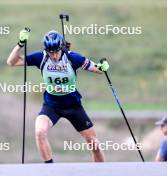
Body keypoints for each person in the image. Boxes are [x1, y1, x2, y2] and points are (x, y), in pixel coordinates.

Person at [7, 29, 108, 163]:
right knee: (39, 132)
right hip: (51, 106)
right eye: (50, 52)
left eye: (56, 51)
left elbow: (96, 69)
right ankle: (51, 170)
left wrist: (103, 67)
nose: (54, 56)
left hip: (73, 106)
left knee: (94, 143)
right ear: (46, 50)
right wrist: (20, 44)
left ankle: (102, 172)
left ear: (61, 47)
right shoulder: (41, 57)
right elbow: (11, 62)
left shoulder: (73, 58)